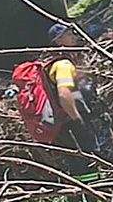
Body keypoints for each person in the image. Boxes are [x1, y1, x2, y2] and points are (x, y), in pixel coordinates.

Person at [14, 24, 105, 181]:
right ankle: (94, 194)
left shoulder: (50, 63)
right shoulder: (63, 65)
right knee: (87, 159)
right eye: (69, 35)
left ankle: (81, 197)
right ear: (58, 40)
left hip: (61, 123)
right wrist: (78, 120)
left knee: (75, 162)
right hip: (71, 121)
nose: (73, 37)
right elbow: (64, 94)